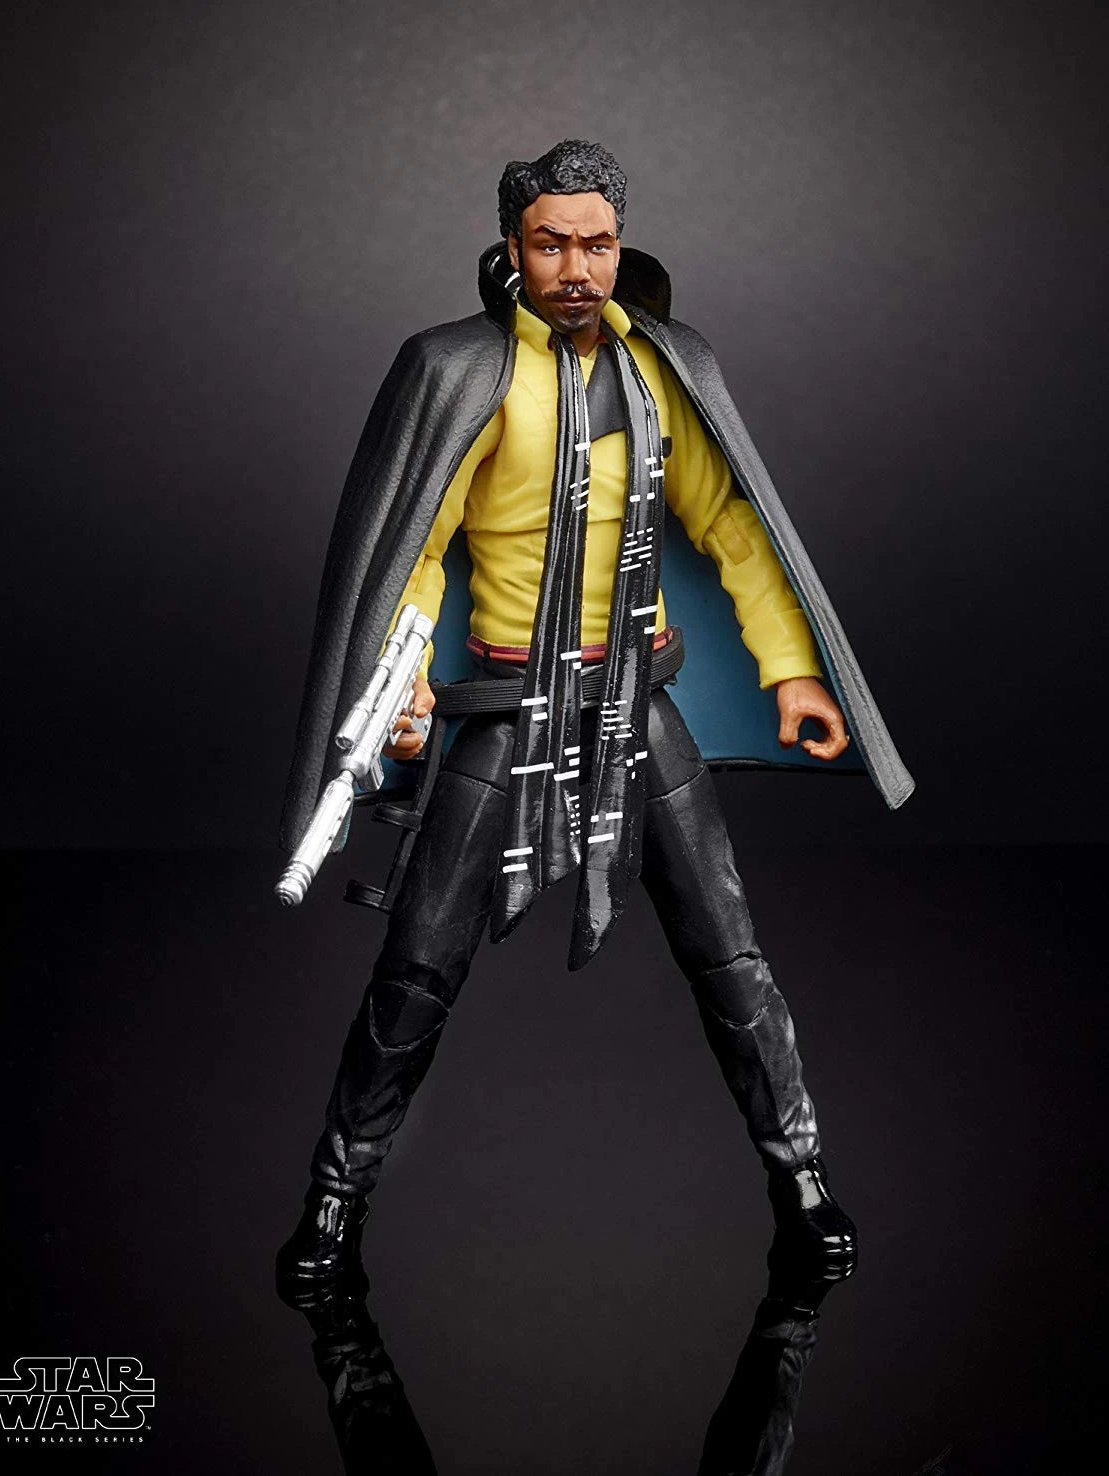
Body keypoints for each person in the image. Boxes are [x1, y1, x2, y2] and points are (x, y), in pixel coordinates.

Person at [276, 139, 913, 1316]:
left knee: (730, 955)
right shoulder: (460, 374)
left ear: (622, 245)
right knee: (415, 969)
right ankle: (334, 1198)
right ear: (511, 250)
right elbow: (417, 549)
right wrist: (398, 676)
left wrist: (790, 671)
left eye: (598, 243)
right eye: (552, 244)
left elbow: (728, 525)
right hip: (502, 710)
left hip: (637, 707)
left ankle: (803, 1180)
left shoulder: (663, 368)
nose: (577, 267)